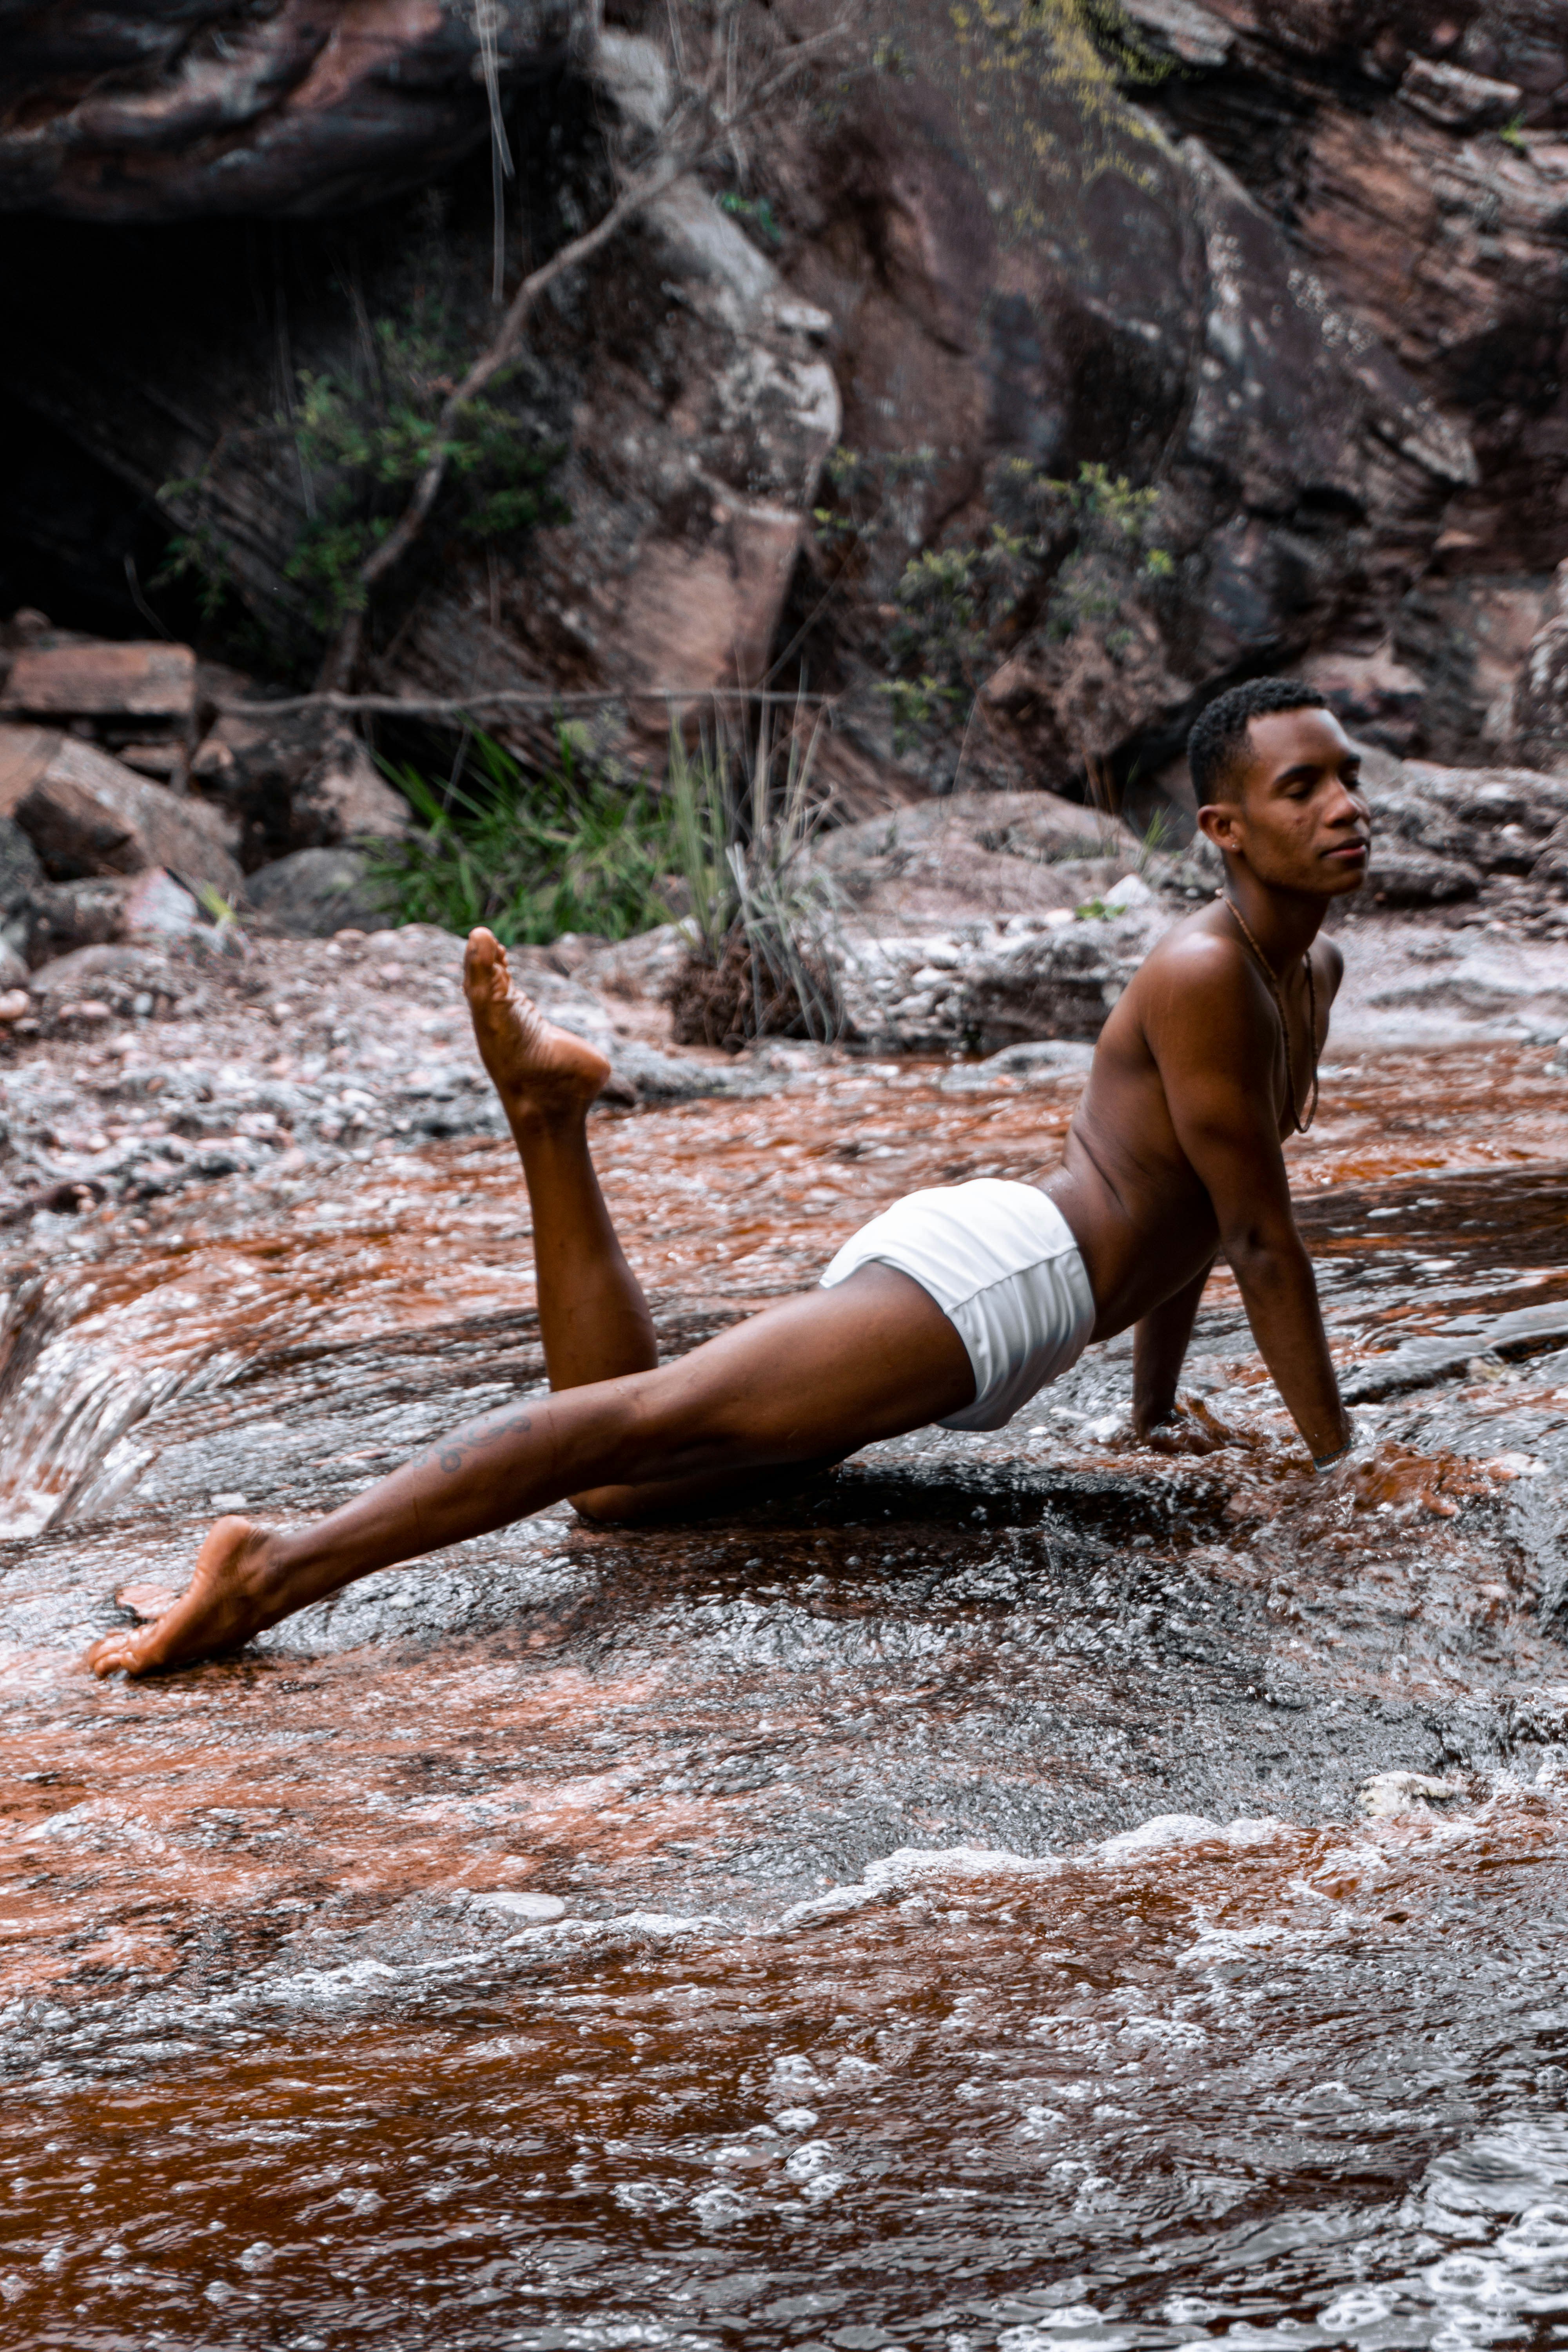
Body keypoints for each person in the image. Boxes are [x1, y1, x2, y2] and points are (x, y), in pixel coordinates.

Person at [85, 677, 1371, 1679]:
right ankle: (273, 1569)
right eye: (1301, 787)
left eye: (1348, 780)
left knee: (620, 1491)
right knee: (630, 1432)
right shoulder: (1206, 973)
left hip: (1028, 1295)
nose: (1343, 808)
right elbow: (1263, 1245)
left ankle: (550, 1118)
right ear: (1225, 827)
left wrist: (1152, 1416)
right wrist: (1340, 1477)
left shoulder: (1305, 975)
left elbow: (1205, 1209)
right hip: (1002, 1281)